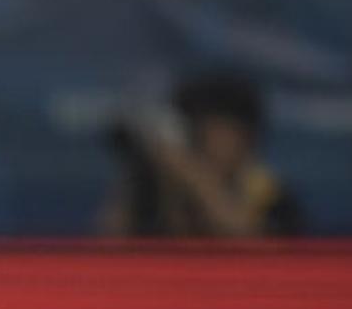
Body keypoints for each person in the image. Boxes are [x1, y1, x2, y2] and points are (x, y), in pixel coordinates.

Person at [103, 73, 305, 238]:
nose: (203, 145)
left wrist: (192, 173)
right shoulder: (158, 188)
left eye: (215, 133)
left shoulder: (266, 193)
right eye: (195, 132)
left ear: (247, 138)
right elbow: (111, 244)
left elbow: (255, 242)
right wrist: (140, 170)